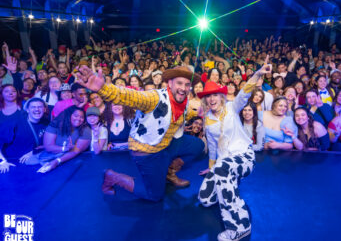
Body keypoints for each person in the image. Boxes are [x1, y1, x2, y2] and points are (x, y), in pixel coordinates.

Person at [76, 65, 205, 201]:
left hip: (166, 144)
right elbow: (128, 96)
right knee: (154, 195)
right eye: (179, 83)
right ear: (170, 83)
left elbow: (183, 113)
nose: (183, 88)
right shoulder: (153, 98)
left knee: (198, 145)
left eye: (187, 85)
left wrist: (196, 114)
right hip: (147, 151)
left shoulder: (183, 100)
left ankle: (169, 173)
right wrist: (103, 88)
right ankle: (112, 177)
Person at [197, 60, 268, 241]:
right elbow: (212, 147)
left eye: (215, 95)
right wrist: (211, 168)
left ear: (221, 96)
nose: (212, 99)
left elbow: (244, 93)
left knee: (222, 170)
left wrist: (258, 74)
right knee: (205, 199)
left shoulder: (232, 107)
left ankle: (240, 226)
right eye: (208, 96)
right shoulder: (207, 119)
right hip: (223, 162)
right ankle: (227, 181)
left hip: (243, 157)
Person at [28, 106, 91, 173]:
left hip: (71, 159)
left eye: (82, 117)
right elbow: (49, 147)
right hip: (49, 155)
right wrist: (64, 149)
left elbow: (76, 151)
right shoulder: (55, 125)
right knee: (29, 163)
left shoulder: (85, 129)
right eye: (76, 116)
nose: (79, 119)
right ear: (69, 115)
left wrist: (57, 161)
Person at [0, 98, 48, 172]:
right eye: (33, 107)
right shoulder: (14, 123)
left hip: (32, 161)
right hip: (11, 163)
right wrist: (2, 161)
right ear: (27, 110)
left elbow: (50, 143)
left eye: (40, 107)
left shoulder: (46, 123)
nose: (37, 109)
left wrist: (34, 151)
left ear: (44, 109)